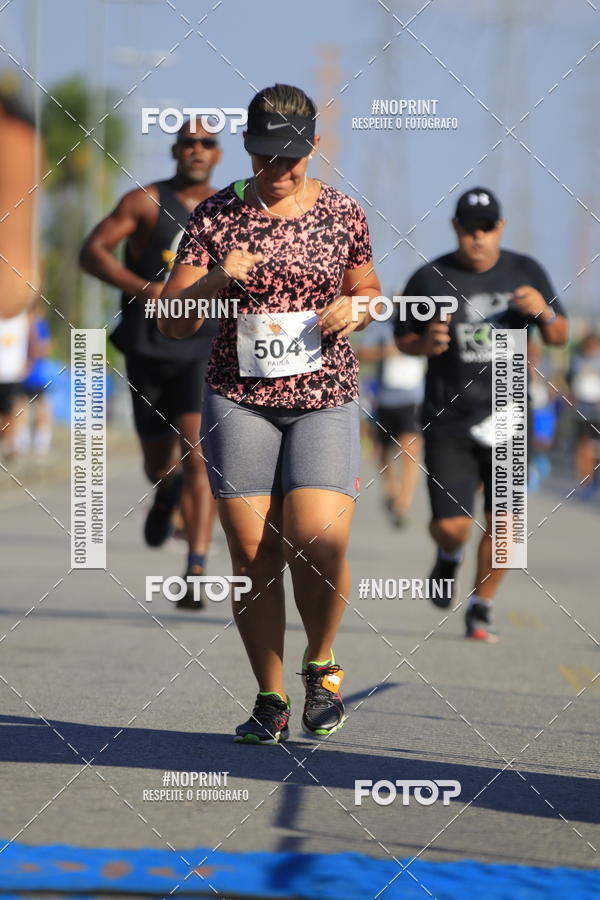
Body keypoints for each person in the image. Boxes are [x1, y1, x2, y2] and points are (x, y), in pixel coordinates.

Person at [158, 83, 381, 744]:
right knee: (253, 553)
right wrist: (215, 279)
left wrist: (357, 308)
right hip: (239, 395)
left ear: (313, 147)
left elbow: (368, 287)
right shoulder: (214, 216)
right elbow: (172, 322)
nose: (278, 171)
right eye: (263, 156)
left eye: (290, 157)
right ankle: (270, 697)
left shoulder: (344, 213)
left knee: (318, 538)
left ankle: (321, 664)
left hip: (323, 396)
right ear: (248, 149)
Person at [395, 187, 568, 641]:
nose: (478, 238)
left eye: (487, 228)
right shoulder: (429, 278)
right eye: (470, 229)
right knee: (451, 525)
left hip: (509, 408)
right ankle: (449, 557)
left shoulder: (525, 271)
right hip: (448, 415)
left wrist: (545, 314)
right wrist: (425, 344)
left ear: (501, 227)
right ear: (455, 229)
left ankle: (481, 604)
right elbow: (402, 339)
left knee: (506, 524)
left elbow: (558, 337)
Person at [80, 121, 221, 608]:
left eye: (207, 144)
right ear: (175, 149)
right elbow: (91, 253)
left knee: (202, 456)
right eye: (188, 143)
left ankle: (197, 568)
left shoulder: (227, 210)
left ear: (219, 154)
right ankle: (167, 491)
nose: (197, 151)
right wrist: (149, 289)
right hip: (146, 349)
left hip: (205, 349)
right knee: (158, 463)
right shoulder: (144, 201)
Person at [358, 319, 425, 527]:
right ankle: (391, 489)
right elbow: (361, 353)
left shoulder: (425, 326)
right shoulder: (383, 328)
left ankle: (402, 505)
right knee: (384, 452)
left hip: (413, 401)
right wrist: (385, 351)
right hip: (385, 401)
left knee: (409, 451)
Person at [567, 331, 600, 499]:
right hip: (582, 411)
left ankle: (594, 476)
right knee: (584, 445)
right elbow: (570, 381)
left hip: (597, 410)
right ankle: (586, 480)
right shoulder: (577, 361)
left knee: (595, 447)